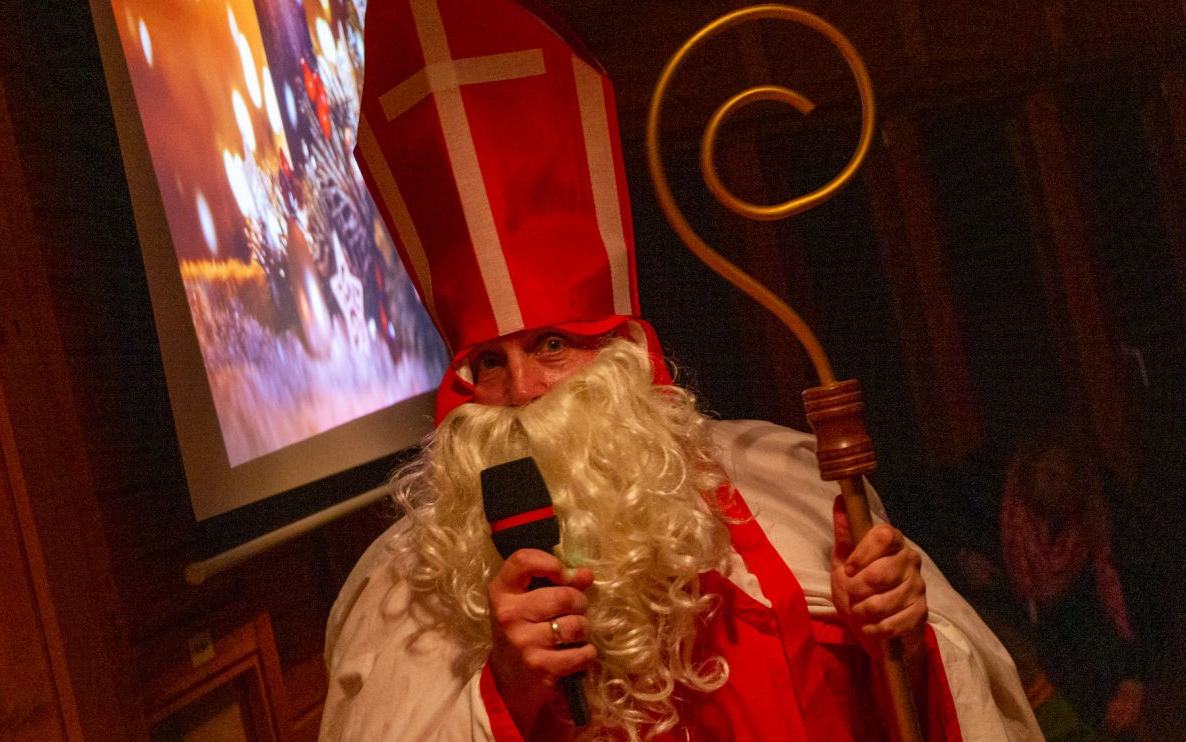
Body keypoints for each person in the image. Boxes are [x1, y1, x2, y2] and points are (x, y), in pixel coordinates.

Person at [321, 0, 1040, 739]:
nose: (524, 394)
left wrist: (891, 637)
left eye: (552, 346)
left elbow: (940, 701)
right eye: (489, 365)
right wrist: (506, 688)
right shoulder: (405, 592)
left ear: (623, 352)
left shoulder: (782, 482)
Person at [999, 426, 1145, 739]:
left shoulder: (1101, 526)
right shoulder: (1003, 527)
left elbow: (1126, 606)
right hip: (1043, 672)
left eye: (1062, 475)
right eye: (1047, 473)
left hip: (1098, 673)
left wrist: (1133, 678)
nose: (1055, 484)